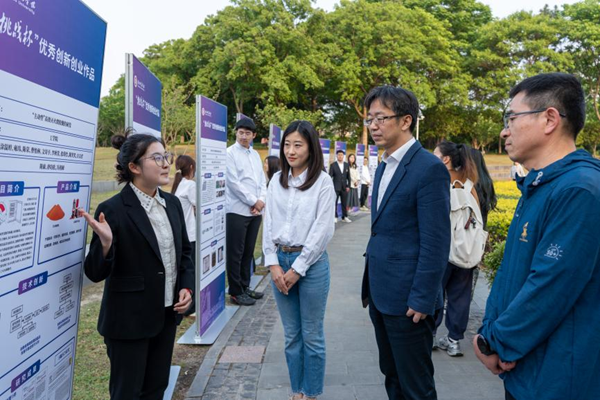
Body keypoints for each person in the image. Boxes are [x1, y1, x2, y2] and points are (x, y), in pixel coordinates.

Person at [474, 73, 600, 400]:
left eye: (512, 118)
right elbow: (512, 275)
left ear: (549, 119)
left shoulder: (579, 189)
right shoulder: (541, 185)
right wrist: (490, 333)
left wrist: (496, 342)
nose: (504, 131)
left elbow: (550, 287)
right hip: (527, 371)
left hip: (557, 378)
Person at [80, 132, 194, 400]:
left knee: (156, 389)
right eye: (157, 158)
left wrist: (186, 287)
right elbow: (95, 272)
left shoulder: (172, 204)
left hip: (166, 316)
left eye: (166, 156)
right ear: (134, 167)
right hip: (129, 322)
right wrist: (106, 244)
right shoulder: (113, 209)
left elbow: (185, 253)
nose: (166, 164)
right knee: (127, 394)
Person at [361, 85, 451, 400]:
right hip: (381, 293)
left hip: (410, 302)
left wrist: (423, 298)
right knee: (393, 376)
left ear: (406, 120)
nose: (373, 126)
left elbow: (436, 241)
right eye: (369, 119)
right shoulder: (384, 165)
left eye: (381, 118)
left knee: (416, 387)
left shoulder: (429, 168)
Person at [263, 120, 335, 400]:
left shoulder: (323, 182)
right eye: (287, 144)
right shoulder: (276, 180)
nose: (291, 151)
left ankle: (311, 392)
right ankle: (297, 391)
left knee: (312, 334)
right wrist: (273, 264)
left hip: (312, 265)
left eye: (298, 145)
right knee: (292, 334)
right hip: (280, 261)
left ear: (311, 148)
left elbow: (322, 230)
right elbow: (269, 223)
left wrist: (298, 268)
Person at [432, 141, 480, 357]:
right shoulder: (470, 185)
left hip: (442, 251)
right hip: (466, 252)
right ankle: (453, 341)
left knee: (435, 293)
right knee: (460, 297)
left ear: (446, 159)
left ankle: (431, 335)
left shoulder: (438, 182)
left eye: (435, 154)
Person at [225, 117, 267, 306]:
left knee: (248, 252)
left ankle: (245, 286)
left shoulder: (255, 154)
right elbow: (233, 183)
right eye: (240, 132)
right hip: (236, 210)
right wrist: (254, 201)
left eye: (247, 133)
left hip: (255, 212)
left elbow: (261, 181)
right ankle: (235, 292)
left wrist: (261, 201)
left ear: (254, 135)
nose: (243, 136)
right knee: (236, 253)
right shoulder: (229, 153)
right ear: (236, 133)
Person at [172, 155, 197, 316]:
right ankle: (191, 306)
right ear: (192, 168)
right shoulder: (190, 185)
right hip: (191, 234)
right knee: (191, 270)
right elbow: (199, 205)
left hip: (182, 234)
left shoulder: (179, 184)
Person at [329, 149, 352, 223]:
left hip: (344, 187)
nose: (340, 156)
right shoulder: (333, 165)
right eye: (339, 155)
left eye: (341, 155)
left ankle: (344, 216)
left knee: (344, 203)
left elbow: (348, 177)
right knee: (334, 202)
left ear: (343, 156)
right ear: (337, 156)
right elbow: (330, 176)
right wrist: (330, 186)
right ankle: (335, 216)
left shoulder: (346, 165)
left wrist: (348, 186)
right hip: (335, 187)